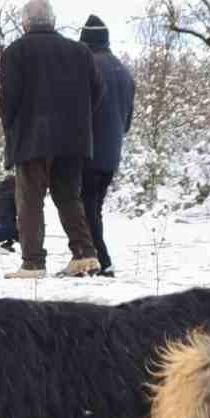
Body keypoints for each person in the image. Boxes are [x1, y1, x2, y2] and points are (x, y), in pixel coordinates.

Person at [0, 0, 103, 279]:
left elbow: (8, 100)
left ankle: (33, 263)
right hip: (72, 139)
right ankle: (85, 255)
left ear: (25, 23)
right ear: (53, 22)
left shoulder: (15, 52)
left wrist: (11, 128)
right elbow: (97, 91)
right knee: (69, 197)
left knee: (30, 200)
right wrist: (77, 121)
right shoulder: (80, 52)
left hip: (31, 138)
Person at [79, 14, 135, 277]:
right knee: (94, 208)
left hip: (88, 150)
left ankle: (100, 260)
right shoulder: (123, 72)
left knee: (85, 209)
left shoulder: (87, 68)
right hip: (112, 152)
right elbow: (127, 121)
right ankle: (92, 259)